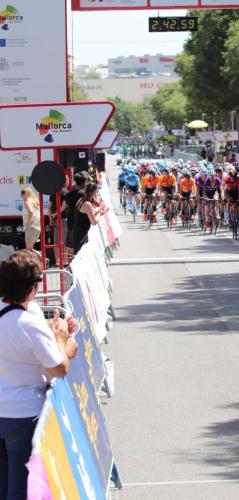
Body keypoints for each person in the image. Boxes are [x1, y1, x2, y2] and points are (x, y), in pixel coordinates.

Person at [0, 250, 78, 500]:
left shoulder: (20, 318)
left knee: (4, 483)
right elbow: (59, 368)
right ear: (33, 287)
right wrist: (63, 342)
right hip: (24, 414)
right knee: (20, 487)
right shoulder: (28, 323)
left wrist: (54, 335)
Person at [72, 183, 109, 252]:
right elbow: (94, 222)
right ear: (94, 193)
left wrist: (99, 212)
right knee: (81, 255)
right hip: (81, 235)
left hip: (77, 233)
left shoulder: (81, 200)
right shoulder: (87, 204)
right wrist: (100, 213)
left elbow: (87, 215)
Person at [64, 172, 88, 260]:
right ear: (84, 182)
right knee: (81, 249)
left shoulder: (69, 194)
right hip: (81, 225)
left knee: (71, 246)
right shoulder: (84, 195)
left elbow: (66, 207)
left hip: (70, 223)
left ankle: (70, 263)